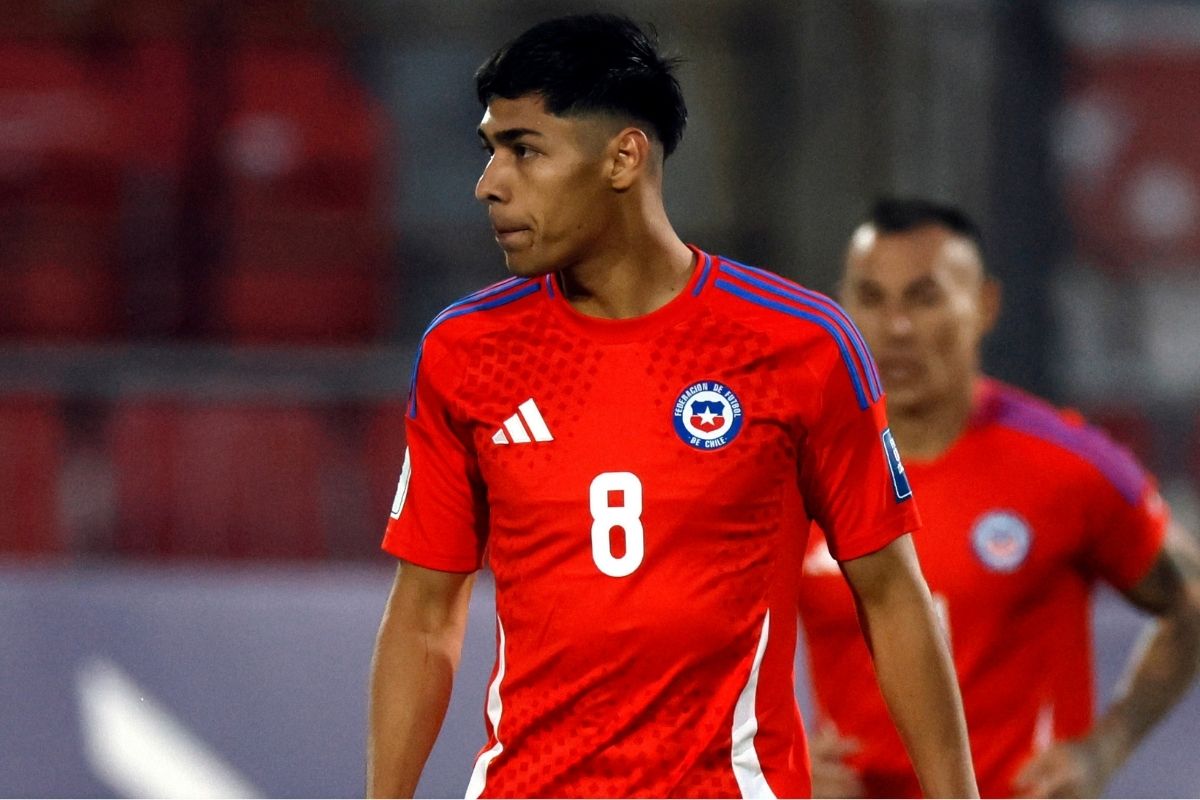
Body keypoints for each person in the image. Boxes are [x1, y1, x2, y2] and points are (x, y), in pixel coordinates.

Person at [367, 16, 977, 799]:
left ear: (623, 156)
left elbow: (892, 594)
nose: (489, 182)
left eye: (524, 149)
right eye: (491, 149)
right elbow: (423, 613)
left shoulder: (803, 344)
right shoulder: (465, 351)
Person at [798, 197, 1200, 798]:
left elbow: (1189, 596)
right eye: (872, 299)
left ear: (984, 306)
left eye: (924, 297)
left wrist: (1105, 747)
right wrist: (786, 761)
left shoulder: (1066, 464)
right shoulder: (797, 469)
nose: (897, 327)